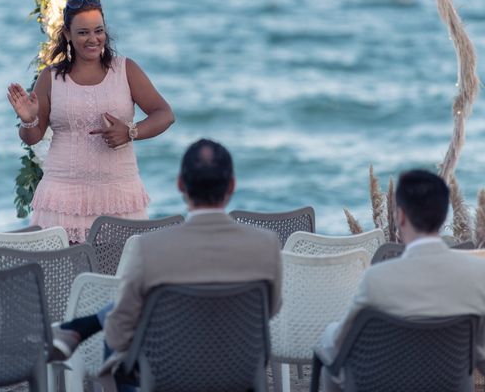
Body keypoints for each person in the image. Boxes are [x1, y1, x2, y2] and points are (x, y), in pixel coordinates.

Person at [52, 138, 283, 380]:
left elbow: (117, 336)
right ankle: (78, 329)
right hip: (238, 372)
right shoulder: (266, 245)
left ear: (181, 184)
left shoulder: (150, 248)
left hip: (170, 376)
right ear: (232, 185)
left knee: (123, 333)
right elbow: (271, 309)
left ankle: (77, 329)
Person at [7, 0, 175, 243]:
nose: (93, 39)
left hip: (118, 195)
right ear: (67, 34)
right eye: (83, 32)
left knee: (119, 276)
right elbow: (33, 138)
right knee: (66, 279)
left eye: (99, 30)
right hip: (63, 199)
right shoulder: (50, 77)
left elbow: (165, 114)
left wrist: (130, 132)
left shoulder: (125, 70)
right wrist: (29, 120)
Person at [316, 169, 485, 391]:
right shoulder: (477, 274)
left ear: (401, 216)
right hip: (449, 384)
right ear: (444, 215)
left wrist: (327, 334)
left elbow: (339, 347)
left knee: (330, 358)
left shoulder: (376, 279)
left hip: (386, 385)